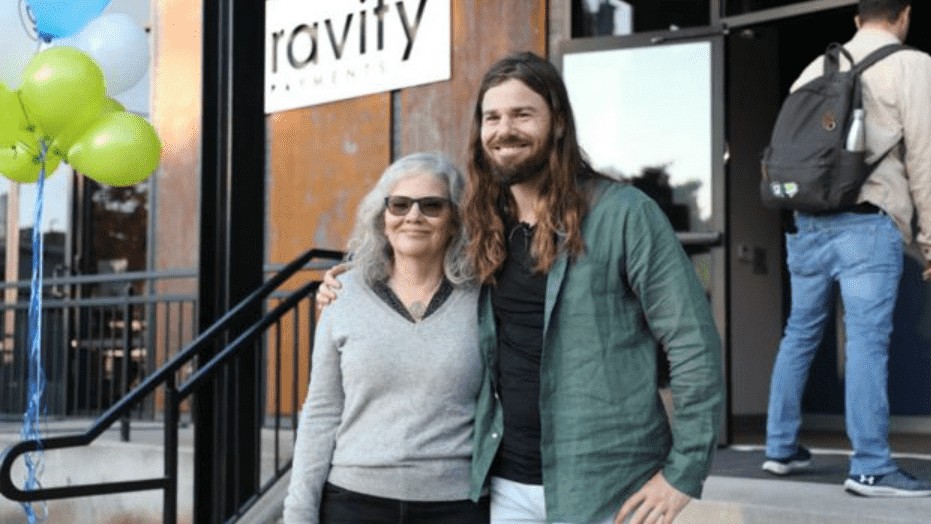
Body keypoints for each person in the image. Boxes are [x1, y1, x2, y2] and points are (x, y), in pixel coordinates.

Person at [320, 51, 724, 524]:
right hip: (506, 485)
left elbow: (692, 342)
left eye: (521, 114)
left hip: (610, 487)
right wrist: (352, 280)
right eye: (492, 117)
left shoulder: (624, 215)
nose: (503, 129)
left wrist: (683, 471)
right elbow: (415, 257)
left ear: (556, 123)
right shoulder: (482, 227)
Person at [762, 0, 931, 498]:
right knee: (866, 342)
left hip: (807, 222)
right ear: (904, 16)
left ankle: (779, 449)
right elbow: (924, 158)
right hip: (866, 220)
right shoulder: (912, 65)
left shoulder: (814, 68)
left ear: (856, 21)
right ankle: (872, 466)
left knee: (799, 334)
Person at [283, 152, 489, 524]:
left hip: (456, 507)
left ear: (455, 220)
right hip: (353, 503)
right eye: (399, 205)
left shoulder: (485, 300)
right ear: (383, 217)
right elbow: (321, 411)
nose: (413, 216)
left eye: (432, 206)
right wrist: (299, 511)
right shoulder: (342, 295)